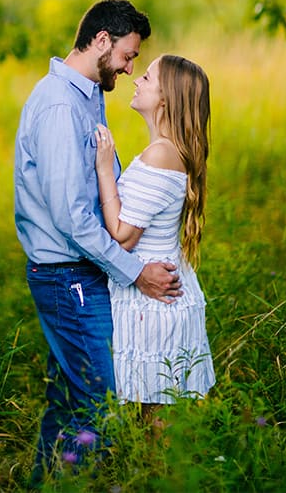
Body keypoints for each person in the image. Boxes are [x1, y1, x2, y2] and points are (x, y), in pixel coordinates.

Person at [14, 0, 184, 478]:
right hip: (66, 275)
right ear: (102, 41)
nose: (131, 69)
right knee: (99, 403)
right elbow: (70, 216)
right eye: (129, 56)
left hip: (82, 271)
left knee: (68, 400)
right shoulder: (59, 105)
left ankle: (43, 484)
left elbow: (96, 188)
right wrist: (136, 273)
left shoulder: (88, 93)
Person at [93, 53, 216, 417]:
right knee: (154, 413)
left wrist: (104, 168)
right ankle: (156, 472)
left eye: (147, 78)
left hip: (155, 301)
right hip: (162, 292)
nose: (136, 80)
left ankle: (160, 474)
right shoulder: (167, 151)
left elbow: (122, 235)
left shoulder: (160, 154)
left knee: (157, 417)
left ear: (165, 100)